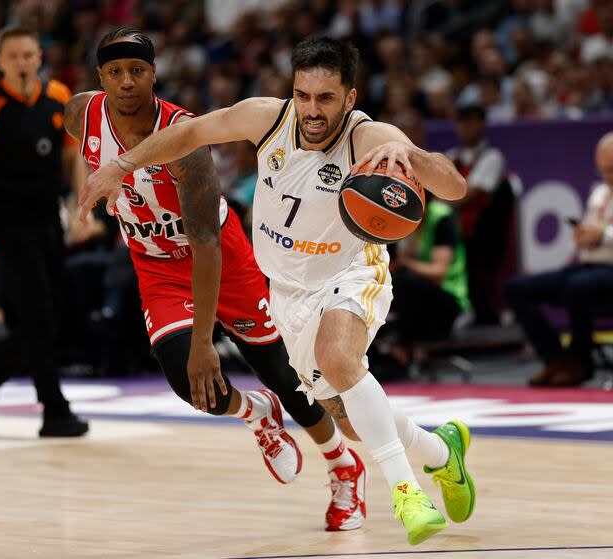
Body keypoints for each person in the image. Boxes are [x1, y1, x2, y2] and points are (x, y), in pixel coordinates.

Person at [78, 36, 475, 545]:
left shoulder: (369, 135)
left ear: (349, 99)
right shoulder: (267, 117)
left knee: (338, 358)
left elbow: (455, 186)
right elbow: (190, 133)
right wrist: (120, 164)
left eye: (326, 99)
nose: (312, 110)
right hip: (289, 290)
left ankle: (407, 492)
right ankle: (443, 451)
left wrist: (412, 155)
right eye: (303, 95)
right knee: (349, 419)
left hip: (351, 271)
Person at [63, 28, 369, 531]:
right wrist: (95, 186)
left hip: (220, 260)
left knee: (283, 374)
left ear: (154, 74)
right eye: (114, 72)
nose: (126, 82)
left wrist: (206, 340)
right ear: (100, 78)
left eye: (137, 71)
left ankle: (343, 466)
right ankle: (257, 415)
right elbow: (82, 148)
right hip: (156, 265)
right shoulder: (81, 112)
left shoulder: (183, 142)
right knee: (190, 383)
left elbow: (205, 243)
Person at [0, 25, 88, 438]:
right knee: (38, 314)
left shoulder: (59, 97)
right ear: (0, 62)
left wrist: (84, 207)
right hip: (8, 224)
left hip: (48, 218)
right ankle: (54, 409)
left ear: (39, 58)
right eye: (14, 57)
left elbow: (73, 156)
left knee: (55, 313)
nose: (22, 63)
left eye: (28, 55)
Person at [505, 132, 613, 387]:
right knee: (518, 288)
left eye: (612, 169)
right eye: (604, 170)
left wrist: (603, 235)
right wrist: (582, 236)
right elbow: (585, 239)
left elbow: (602, 234)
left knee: (579, 287)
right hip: (591, 266)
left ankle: (581, 362)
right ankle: (557, 359)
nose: (608, 176)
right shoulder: (600, 193)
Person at [384, 197, 471, 375]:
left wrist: (405, 262)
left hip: (449, 297)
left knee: (406, 283)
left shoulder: (441, 217)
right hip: (415, 294)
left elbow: (439, 272)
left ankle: (401, 349)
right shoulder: (403, 217)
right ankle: (389, 351)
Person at [446, 103, 514, 324]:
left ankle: (484, 313)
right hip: (452, 230)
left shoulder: (492, 157)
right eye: (461, 122)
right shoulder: (452, 156)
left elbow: (467, 194)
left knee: (479, 276)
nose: (465, 128)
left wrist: (441, 195)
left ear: (481, 124)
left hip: (482, 233)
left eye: (471, 122)